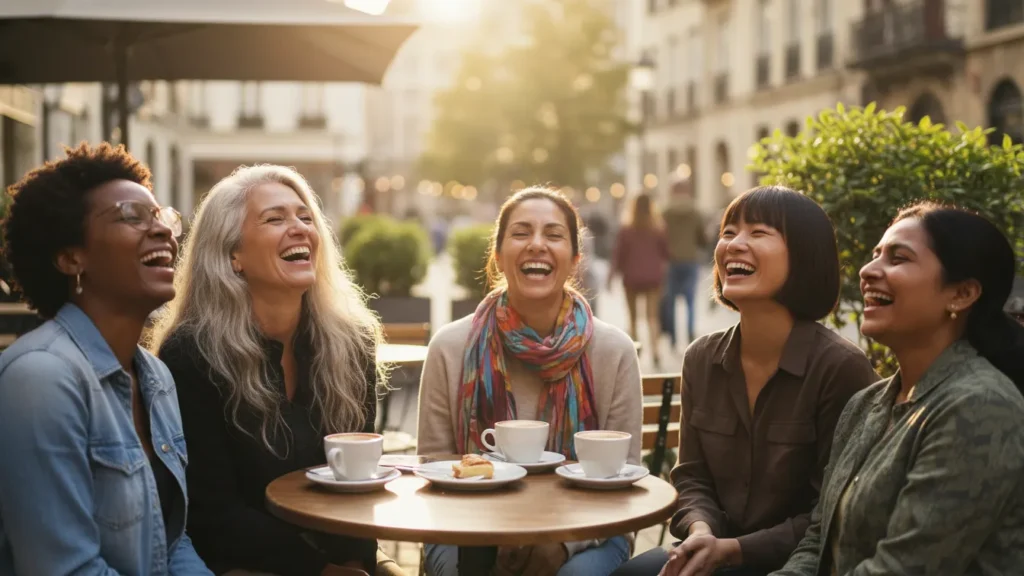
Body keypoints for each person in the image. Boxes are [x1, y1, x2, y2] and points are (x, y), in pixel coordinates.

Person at [613, 186, 877, 576]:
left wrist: (734, 550)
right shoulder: (701, 358)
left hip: (800, 564)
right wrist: (702, 531)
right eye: (728, 232)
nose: (734, 245)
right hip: (710, 550)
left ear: (804, 255)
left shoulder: (841, 368)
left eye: (758, 233)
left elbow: (834, 512)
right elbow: (692, 476)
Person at [149, 165, 400, 576]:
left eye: (305, 217)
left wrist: (357, 564)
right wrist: (320, 571)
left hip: (341, 552)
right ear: (233, 256)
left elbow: (361, 480)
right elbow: (213, 514)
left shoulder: (352, 342)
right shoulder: (191, 354)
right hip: (242, 563)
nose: (299, 228)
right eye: (275, 219)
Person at [771, 203, 1024, 575]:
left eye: (898, 258)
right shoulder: (866, 403)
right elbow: (818, 541)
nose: (867, 271)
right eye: (875, 255)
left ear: (962, 294)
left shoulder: (980, 406)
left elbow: (903, 569)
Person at [0, 143, 212, 575]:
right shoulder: (39, 379)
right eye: (131, 216)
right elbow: (64, 569)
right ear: (70, 257)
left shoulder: (156, 378)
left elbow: (170, 542)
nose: (163, 231)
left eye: (161, 216)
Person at [417, 186, 643, 576]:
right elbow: (434, 470)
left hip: (589, 530)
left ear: (574, 259)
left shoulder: (614, 351)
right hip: (465, 527)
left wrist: (558, 545)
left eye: (553, 235)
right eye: (521, 233)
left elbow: (623, 480)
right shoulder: (450, 348)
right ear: (499, 256)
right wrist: (495, 535)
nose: (537, 244)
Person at [608, 193, 669, 366]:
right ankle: (656, 351)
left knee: (633, 318)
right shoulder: (658, 228)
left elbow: (618, 255)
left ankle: (635, 350)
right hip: (653, 278)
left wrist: (611, 276)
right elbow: (666, 253)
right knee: (652, 317)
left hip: (631, 277)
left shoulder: (626, 229)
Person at [660, 178, 705, 352]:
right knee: (690, 300)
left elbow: (660, 237)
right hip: (690, 259)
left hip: (671, 261)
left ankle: (672, 337)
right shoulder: (695, 212)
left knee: (670, 301)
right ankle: (690, 334)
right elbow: (702, 238)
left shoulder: (666, 212)